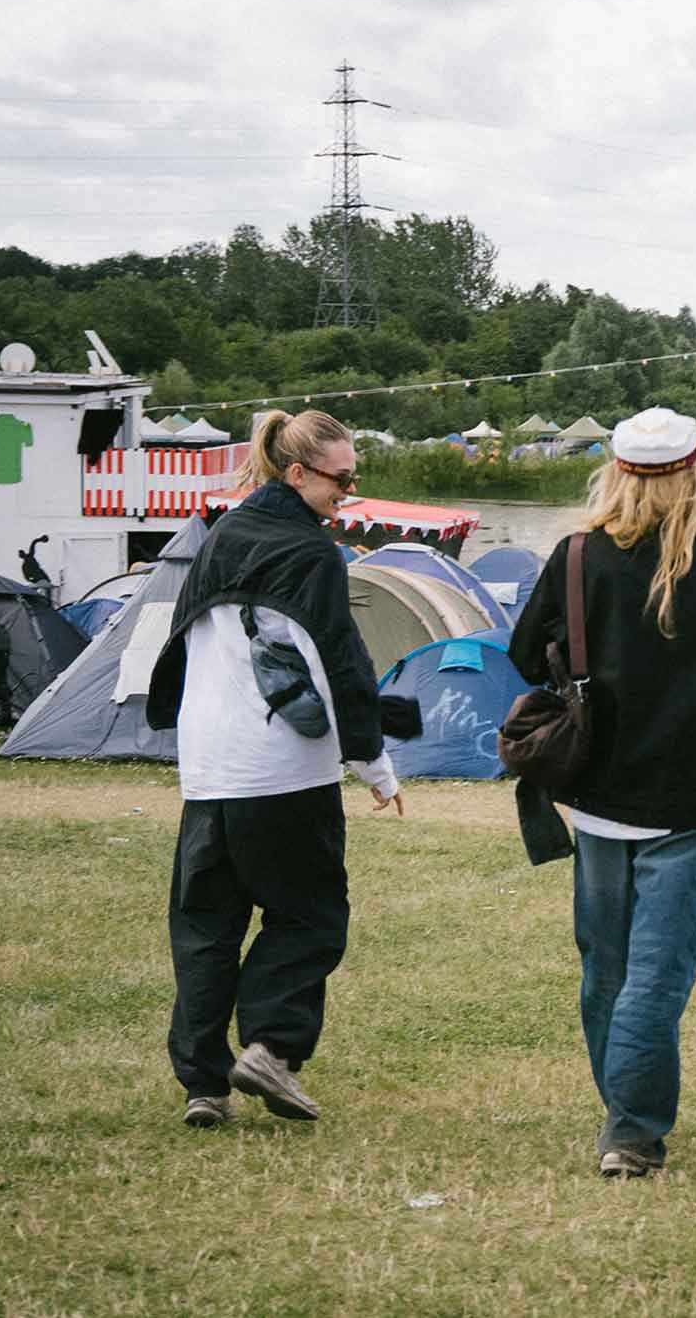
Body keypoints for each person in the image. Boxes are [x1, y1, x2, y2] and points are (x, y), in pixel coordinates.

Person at [511, 407, 696, 1179]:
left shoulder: (574, 558)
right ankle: (631, 1129)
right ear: (694, 475)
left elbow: (527, 656)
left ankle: (624, 1108)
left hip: (595, 795)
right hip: (686, 801)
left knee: (609, 970)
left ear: (616, 472)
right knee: (655, 979)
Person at [144, 408, 405, 1128]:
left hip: (207, 764)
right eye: (341, 480)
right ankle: (270, 1044)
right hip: (283, 770)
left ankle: (203, 1082)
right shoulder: (311, 554)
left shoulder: (222, 537)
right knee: (310, 915)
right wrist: (373, 762)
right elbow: (337, 664)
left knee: (206, 925)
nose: (347, 495)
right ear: (297, 474)